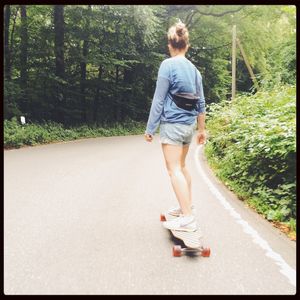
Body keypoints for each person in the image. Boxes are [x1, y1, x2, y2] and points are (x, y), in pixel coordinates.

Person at [144, 21, 206, 232]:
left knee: (174, 170)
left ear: (170, 45)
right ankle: (186, 208)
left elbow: (158, 100)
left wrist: (150, 128)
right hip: (189, 127)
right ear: (186, 46)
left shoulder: (167, 65)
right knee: (183, 166)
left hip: (172, 125)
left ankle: (187, 216)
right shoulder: (195, 70)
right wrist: (202, 129)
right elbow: (201, 103)